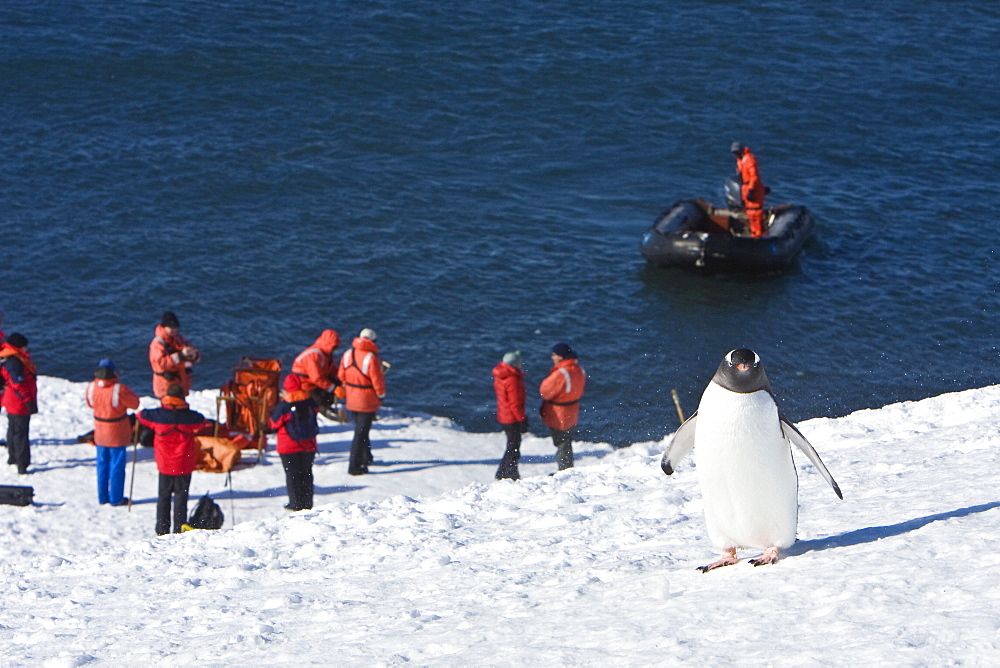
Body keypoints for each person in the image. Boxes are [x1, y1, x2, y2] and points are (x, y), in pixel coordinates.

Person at [136, 383, 207, 535]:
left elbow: (140, 415)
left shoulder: (158, 415)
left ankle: (162, 530)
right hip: (183, 464)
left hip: (165, 464)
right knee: (181, 499)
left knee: (163, 498)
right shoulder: (190, 417)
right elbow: (202, 421)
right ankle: (179, 529)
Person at [85, 359, 141, 506]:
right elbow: (135, 404)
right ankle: (116, 498)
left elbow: (90, 403)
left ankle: (102, 497)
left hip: (100, 432)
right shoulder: (119, 389)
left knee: (102, 464)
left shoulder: (91, 388)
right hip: (117, 434)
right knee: (116, 466)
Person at [338, 328, 386, 476]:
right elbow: (377, 380)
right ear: (372, 341)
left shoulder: (347, 354)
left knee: (361, 429)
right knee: (361, 432)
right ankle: (354, 466)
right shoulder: (371, 358)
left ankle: (367, 457)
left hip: (351, 397)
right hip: (367, 399)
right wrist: (381, 395)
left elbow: (341, 375)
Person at [270, 374, 319, 511]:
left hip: (288, 446)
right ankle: (307, 503)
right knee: (307, 473)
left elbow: (274, 424)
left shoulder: (284, 405)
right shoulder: (310, 401)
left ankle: (296, 503)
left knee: (292, 475)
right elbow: (316, 412)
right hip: (309, 444)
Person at [539, 342, 586, 472]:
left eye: (554, 354)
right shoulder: (579, 369)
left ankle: (565, 470)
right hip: (572, 411)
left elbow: (544, 391)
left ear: (560, 356)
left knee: (561, 443)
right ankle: (566, 468)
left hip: (559, 413)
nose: (552, 357)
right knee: (565, 440)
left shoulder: (562, 373)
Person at [1, 333, 37, 475]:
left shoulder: (9, 358)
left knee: (13, 430)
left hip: (10, 400)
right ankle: (22, 464)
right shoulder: (15, 362)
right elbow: (18, 384)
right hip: (19, 403)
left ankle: (12, 457)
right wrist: (28, 401)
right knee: (21, 433)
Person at [291, 329, 343, 419]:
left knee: (336, 383)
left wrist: (342, 380)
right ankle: (322, 408)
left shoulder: (326, 354)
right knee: (322, 397)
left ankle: (326, 405)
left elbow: (332, 371)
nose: (335, 349)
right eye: (334, 347)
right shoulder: (313, 355)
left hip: (314, 381)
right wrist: (334, 388)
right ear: (329, 344)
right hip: (305, 384)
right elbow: (317, 378)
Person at [149, 311, 200, 398]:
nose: (174, 330)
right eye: (171, 327)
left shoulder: (179, 339)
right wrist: (180, 356)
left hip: (180, 387)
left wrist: (194, 355)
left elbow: (191, 350)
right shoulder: (157, 344)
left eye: (175, 327)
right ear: (164, 327)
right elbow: (160, 363)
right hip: (166, 388)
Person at [493, 351, 527, 481]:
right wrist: (522, 419)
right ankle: (510, 474)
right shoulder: (512, 380)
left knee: (511, 445)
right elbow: (515, 404)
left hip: (504, 415)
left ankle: (503, 472)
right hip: (512, 417)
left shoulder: (501, 376)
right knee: (514, 447)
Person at [731, 141, 767, 238]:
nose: (735, 155)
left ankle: (759, 234)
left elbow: (754, 176)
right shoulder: (740, 161)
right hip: (746, 187)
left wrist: (751, 190)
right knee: (749, 213)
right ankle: (754, 233)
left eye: (736, 152)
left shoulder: (749, 160)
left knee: (756, 213)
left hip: (753, 188)